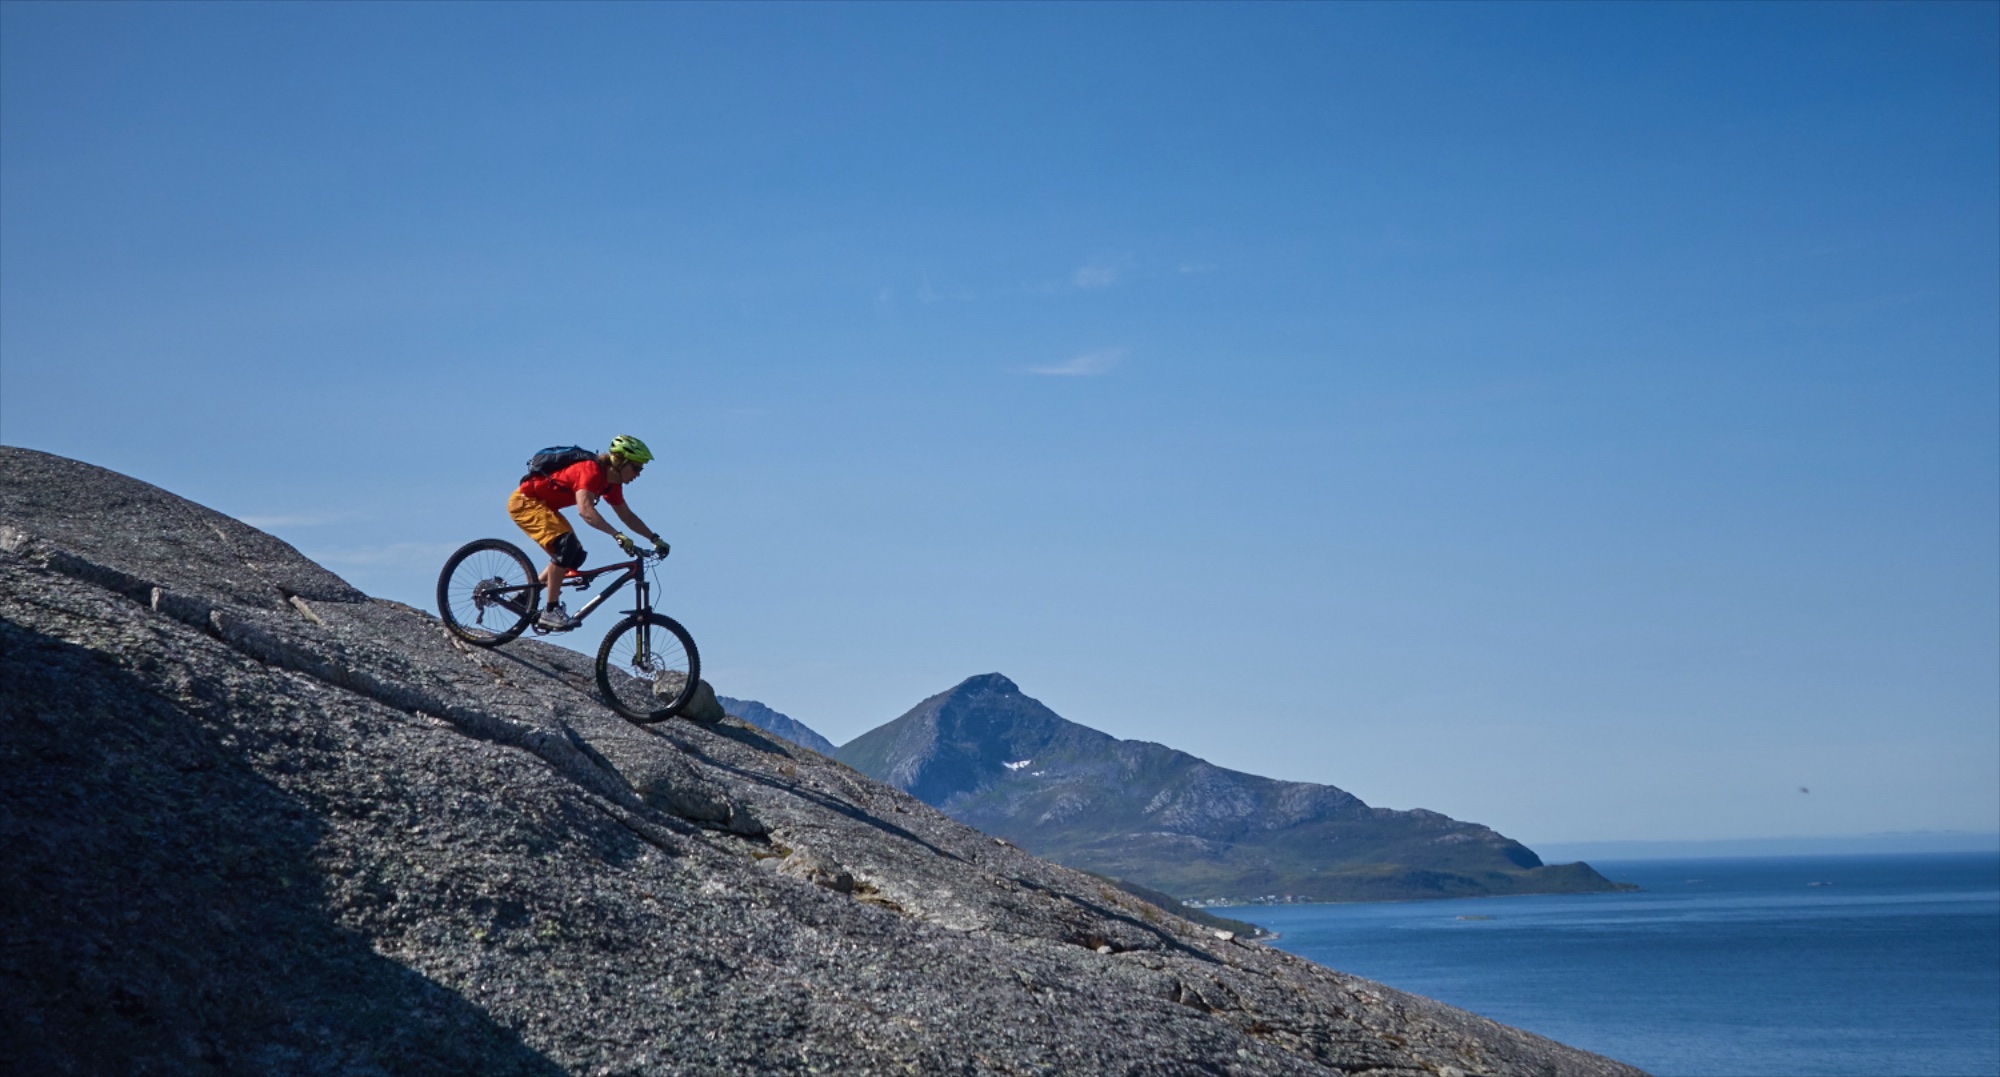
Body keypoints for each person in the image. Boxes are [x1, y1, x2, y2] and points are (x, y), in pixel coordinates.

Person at [507, 434, 671, 631]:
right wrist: (616, 535)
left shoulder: (611, 485)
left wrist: (654, 538)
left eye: (641, 469)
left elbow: (627, 515)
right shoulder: (591, 470)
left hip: (544, 507)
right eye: (636, 467)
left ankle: (525, 597)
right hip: (526, 502)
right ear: (618, 461)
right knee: (566, 546)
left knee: (575, 555)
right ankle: (550, 611)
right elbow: (585, 510)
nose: (638, 473)